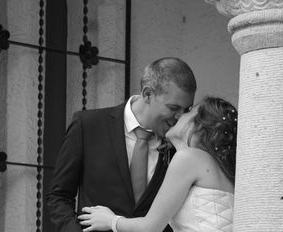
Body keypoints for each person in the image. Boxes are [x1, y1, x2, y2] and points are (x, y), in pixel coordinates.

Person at [46, 57, 197, 232]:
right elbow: (59, 196)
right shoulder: (88, 125)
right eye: (173, 108)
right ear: (148, 94)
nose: (180, 117)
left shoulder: (182, 144)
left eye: (186, 110)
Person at [77, 96, 237, 232]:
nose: (178, 116)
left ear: (198, 126)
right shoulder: (223, 168)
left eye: (188, 113)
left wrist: (111, 221)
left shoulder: (189, 158)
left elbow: (151, 227)